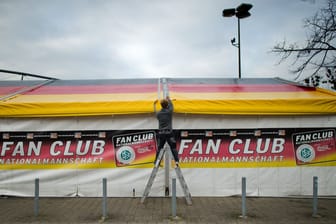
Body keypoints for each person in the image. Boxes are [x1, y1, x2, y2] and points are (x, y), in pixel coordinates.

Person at [153, 96, 179, 167]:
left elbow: (155, 110)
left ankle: (156, 162)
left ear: (161, 105)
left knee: (160, 148)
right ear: (167, 105)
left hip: (161, 133)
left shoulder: (158, 114)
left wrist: (154, 104)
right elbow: (171, 106)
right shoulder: (169, 112)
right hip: (169, 133)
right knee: (173, 147)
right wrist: (169, 99)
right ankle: (176, 161)